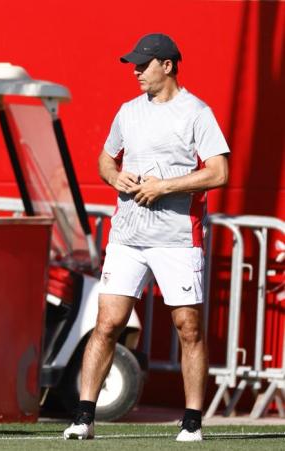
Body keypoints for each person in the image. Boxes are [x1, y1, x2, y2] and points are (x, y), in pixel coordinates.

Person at [63, 33, 229, 442]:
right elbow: (105, 159)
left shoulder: (197, 113)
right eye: (135, 64)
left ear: (167, 66)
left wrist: (164, 186)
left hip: (177, 239)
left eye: (144, 64)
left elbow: (218, 172)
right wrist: (115, 175)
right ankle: (85, 416)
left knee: (188, 328)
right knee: (107, 323)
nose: (136, 70)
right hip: (127, 237)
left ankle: (191, 421)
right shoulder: (128, 111)